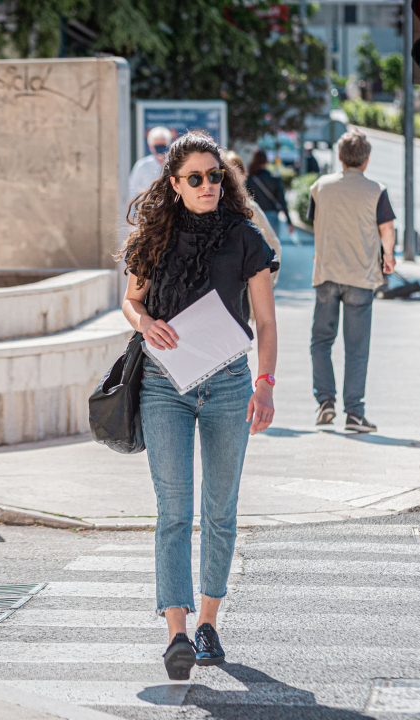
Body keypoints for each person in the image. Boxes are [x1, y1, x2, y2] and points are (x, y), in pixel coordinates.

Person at [121, 131, 279, 681]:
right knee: (174, 512)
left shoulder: (245, 238)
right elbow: (131, 299)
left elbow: (265, 321)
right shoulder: (154, 236)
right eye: (196, 177)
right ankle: (177, 635)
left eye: (215, 176)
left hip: (231, 384)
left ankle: (209, 620)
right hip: (164, 385)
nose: (208, 184)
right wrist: (145, 323)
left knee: (220, 511)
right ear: (174, 184)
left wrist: (266, 382)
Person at [306, 129, 395, 432]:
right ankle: (354, 413)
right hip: (361, 276)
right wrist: (390, 256)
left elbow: (314, 222)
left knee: (321, 342)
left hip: (327, 274)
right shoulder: (376, 190)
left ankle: (325, 403)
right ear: (366, 160)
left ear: (340, 157)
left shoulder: (320, 187)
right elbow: (386, 228)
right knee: (356, 348)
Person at [222, 149, 283, 316]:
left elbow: (272, 244)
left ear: (243, 175)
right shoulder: (207, 206)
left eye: (233, 173)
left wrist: (265, 281)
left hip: (241, 291)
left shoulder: (248, 207)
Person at [245, 150, 295, 239]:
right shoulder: (274, 179)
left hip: (256, 216)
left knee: (257, 248)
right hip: (272, 216)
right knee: (274, 248)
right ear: (266, 162)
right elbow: (282, 201)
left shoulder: (250, 179)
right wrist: (289, 221)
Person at [128, 126, 175, 201]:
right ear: (150, 146)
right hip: (147, 209)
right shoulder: (142, 165)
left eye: (163, 146)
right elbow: (132, 192)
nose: (160, 149)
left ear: (169, 145)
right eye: (157, 146)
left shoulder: (175, 164)